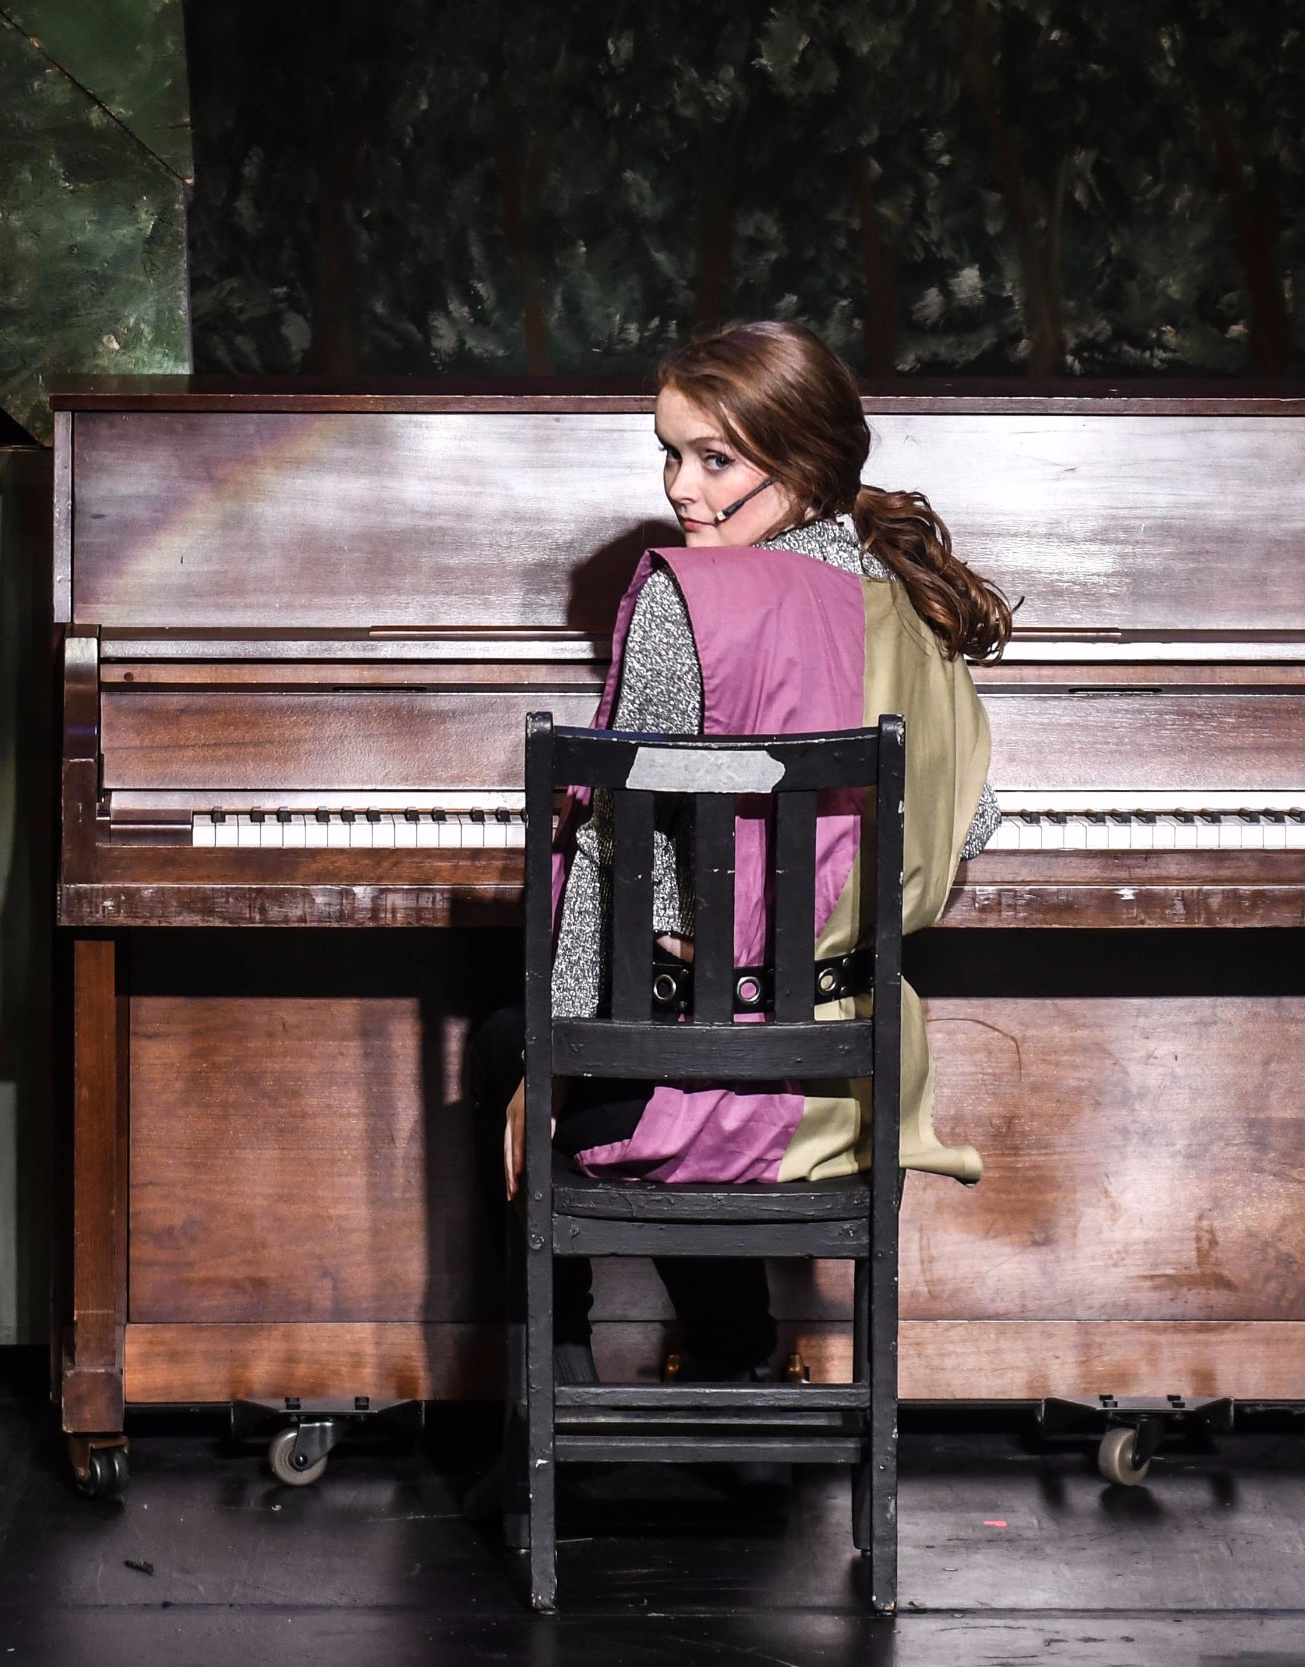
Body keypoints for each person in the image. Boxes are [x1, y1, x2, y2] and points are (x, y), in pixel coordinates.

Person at [467, 319, 1011, 1389]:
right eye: (670, 453)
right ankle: (737, 1367)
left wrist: (549, 1060)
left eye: (715, 459)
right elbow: (971, 819)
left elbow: (616, 861)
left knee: (507, 1043)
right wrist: (816, 922)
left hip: (732, 1105)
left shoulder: (690, 595)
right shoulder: (913, 595)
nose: (682, 486)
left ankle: (559, 1390)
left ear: (802, 461)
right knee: (681, 1018)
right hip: (865, 1080)